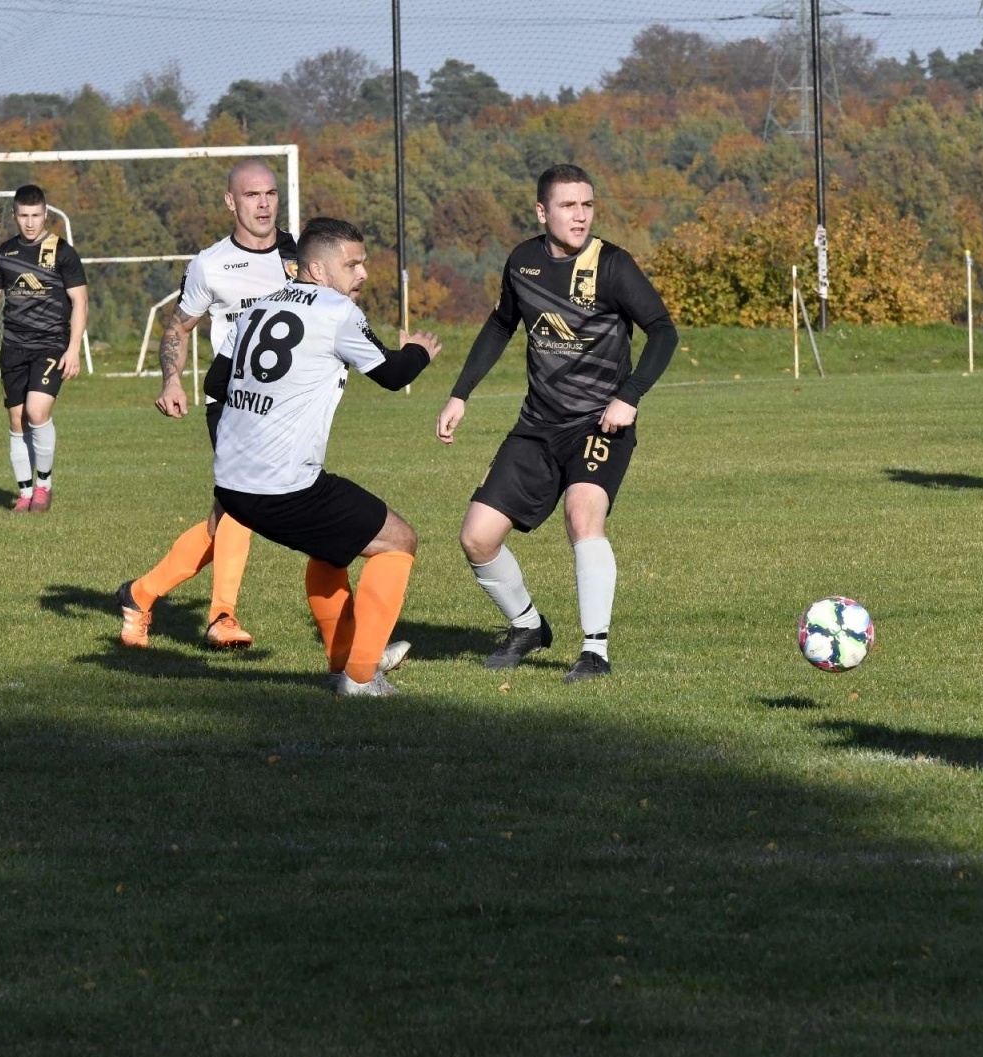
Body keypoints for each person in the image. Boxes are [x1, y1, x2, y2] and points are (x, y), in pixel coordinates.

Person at [178, 216, 439, 696]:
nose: (361, 274)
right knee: (398, 540)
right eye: (352, 264)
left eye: (363, 263)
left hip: (233, 483)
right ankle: (362, 677)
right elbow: (392, 374)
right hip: (284, 485)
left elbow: (216, 385)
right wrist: (419, 351)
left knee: (330, 547)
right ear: (317, 269)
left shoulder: (255, 309)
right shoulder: (336, 310)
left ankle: (345, 663)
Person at [436, 164, 678, 682]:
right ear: (542, 212)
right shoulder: (523, 261)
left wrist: (629, 396)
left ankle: (595, 652)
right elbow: (502, 323)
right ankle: (527, 626)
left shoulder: (612, 265)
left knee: (582, 515)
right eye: (569, 206)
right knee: (477, 538)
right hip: (537, 425)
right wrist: (461, 393)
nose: (581, 215)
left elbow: (663, 332)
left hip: (600, 425)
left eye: (587, 205)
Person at [119, 161, 297, 649]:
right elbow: (177, 325)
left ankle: (140, 594)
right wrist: (172, 378)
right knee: (243, 504)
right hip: (233, 401)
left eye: (270, 194)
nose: (263, 204)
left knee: (229, 516)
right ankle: (222, 616)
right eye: (252, 195)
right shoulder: (210, 263)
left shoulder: (299, 255)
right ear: (230, 202)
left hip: (290, 407)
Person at [0, 184, 88, 513]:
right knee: (17, 420)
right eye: (24, 215)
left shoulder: (62, 252)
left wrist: (74, 348)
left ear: (45, 214)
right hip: (14, 348)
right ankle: (24, 494)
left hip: (51, 344)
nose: (30, 222)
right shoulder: (4, 254)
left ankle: (44, 487)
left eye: (36, 215)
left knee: (37, 412)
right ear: (14, 216)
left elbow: (80, 301)